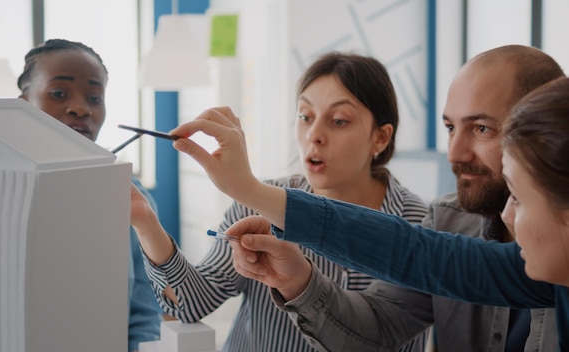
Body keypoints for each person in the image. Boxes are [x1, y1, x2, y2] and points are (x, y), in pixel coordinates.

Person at [167, 61, 569, 347]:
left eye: (481, 128)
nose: (453, 152)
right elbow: (409, 265)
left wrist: (251, 191)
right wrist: (295, 278)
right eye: (449, 127)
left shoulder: (416, 216)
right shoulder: (449, 223)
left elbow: (411, 252)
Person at [130, 52, 429, 351]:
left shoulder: (419, 225)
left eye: (339, 121)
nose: (314, 135)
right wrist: (144, 220)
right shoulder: (257, 205)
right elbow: (189, 305)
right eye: (305, 116)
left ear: (380, 138)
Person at [16, 38, 163, 352]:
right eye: (59, 93)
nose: (81, 107)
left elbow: (144, 310)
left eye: (95, 97)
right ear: (23, 103)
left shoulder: (132, 200)